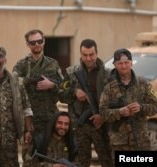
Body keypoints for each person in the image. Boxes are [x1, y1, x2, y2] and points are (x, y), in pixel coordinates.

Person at [59, 39, 112, 167]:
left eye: (91, 54)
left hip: (101, 126)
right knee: (80, 163)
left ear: (97, 53)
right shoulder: (71, 73)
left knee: (108, 161)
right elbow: (60, 93)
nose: (88, 58)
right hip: (79, 127)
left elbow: (115, 101)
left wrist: (102, 116)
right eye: (85, 55)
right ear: (80, 54)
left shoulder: (108, 74)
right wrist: (74, 92)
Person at [99, 48, 157, 161]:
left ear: (131, 63)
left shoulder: (143, 84)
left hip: (141, 141)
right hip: (120, 143)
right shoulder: (109, 87)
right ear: (115, 65)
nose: (124, 66)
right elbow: (103, 113)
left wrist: (141, 107)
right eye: (120, 63)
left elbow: (155, 107)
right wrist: (119, 112)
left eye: (126, 62)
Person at [13, 29, 63, 136]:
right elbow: (13, 84)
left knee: (50, 152)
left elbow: (63, 88)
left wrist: (52, 85)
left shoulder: (53, 64)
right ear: (27, 44)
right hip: (29, 119)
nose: (37, 44)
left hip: (50, 116)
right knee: (30, 151)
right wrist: (31, 81)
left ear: (44, 41)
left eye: (39, 41)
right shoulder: (21, 65)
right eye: (33, 42)